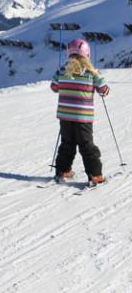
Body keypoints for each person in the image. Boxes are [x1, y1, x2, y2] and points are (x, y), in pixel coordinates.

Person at [51, 38, 110, 186]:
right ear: (87, 55)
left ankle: (63, 171)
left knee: (67, 144)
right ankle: (95, 176)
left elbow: (54, 87)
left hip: (65, 116)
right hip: (83, 117)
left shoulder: (62, 71)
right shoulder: (92, 73)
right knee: (86, 145)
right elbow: (103, 90)